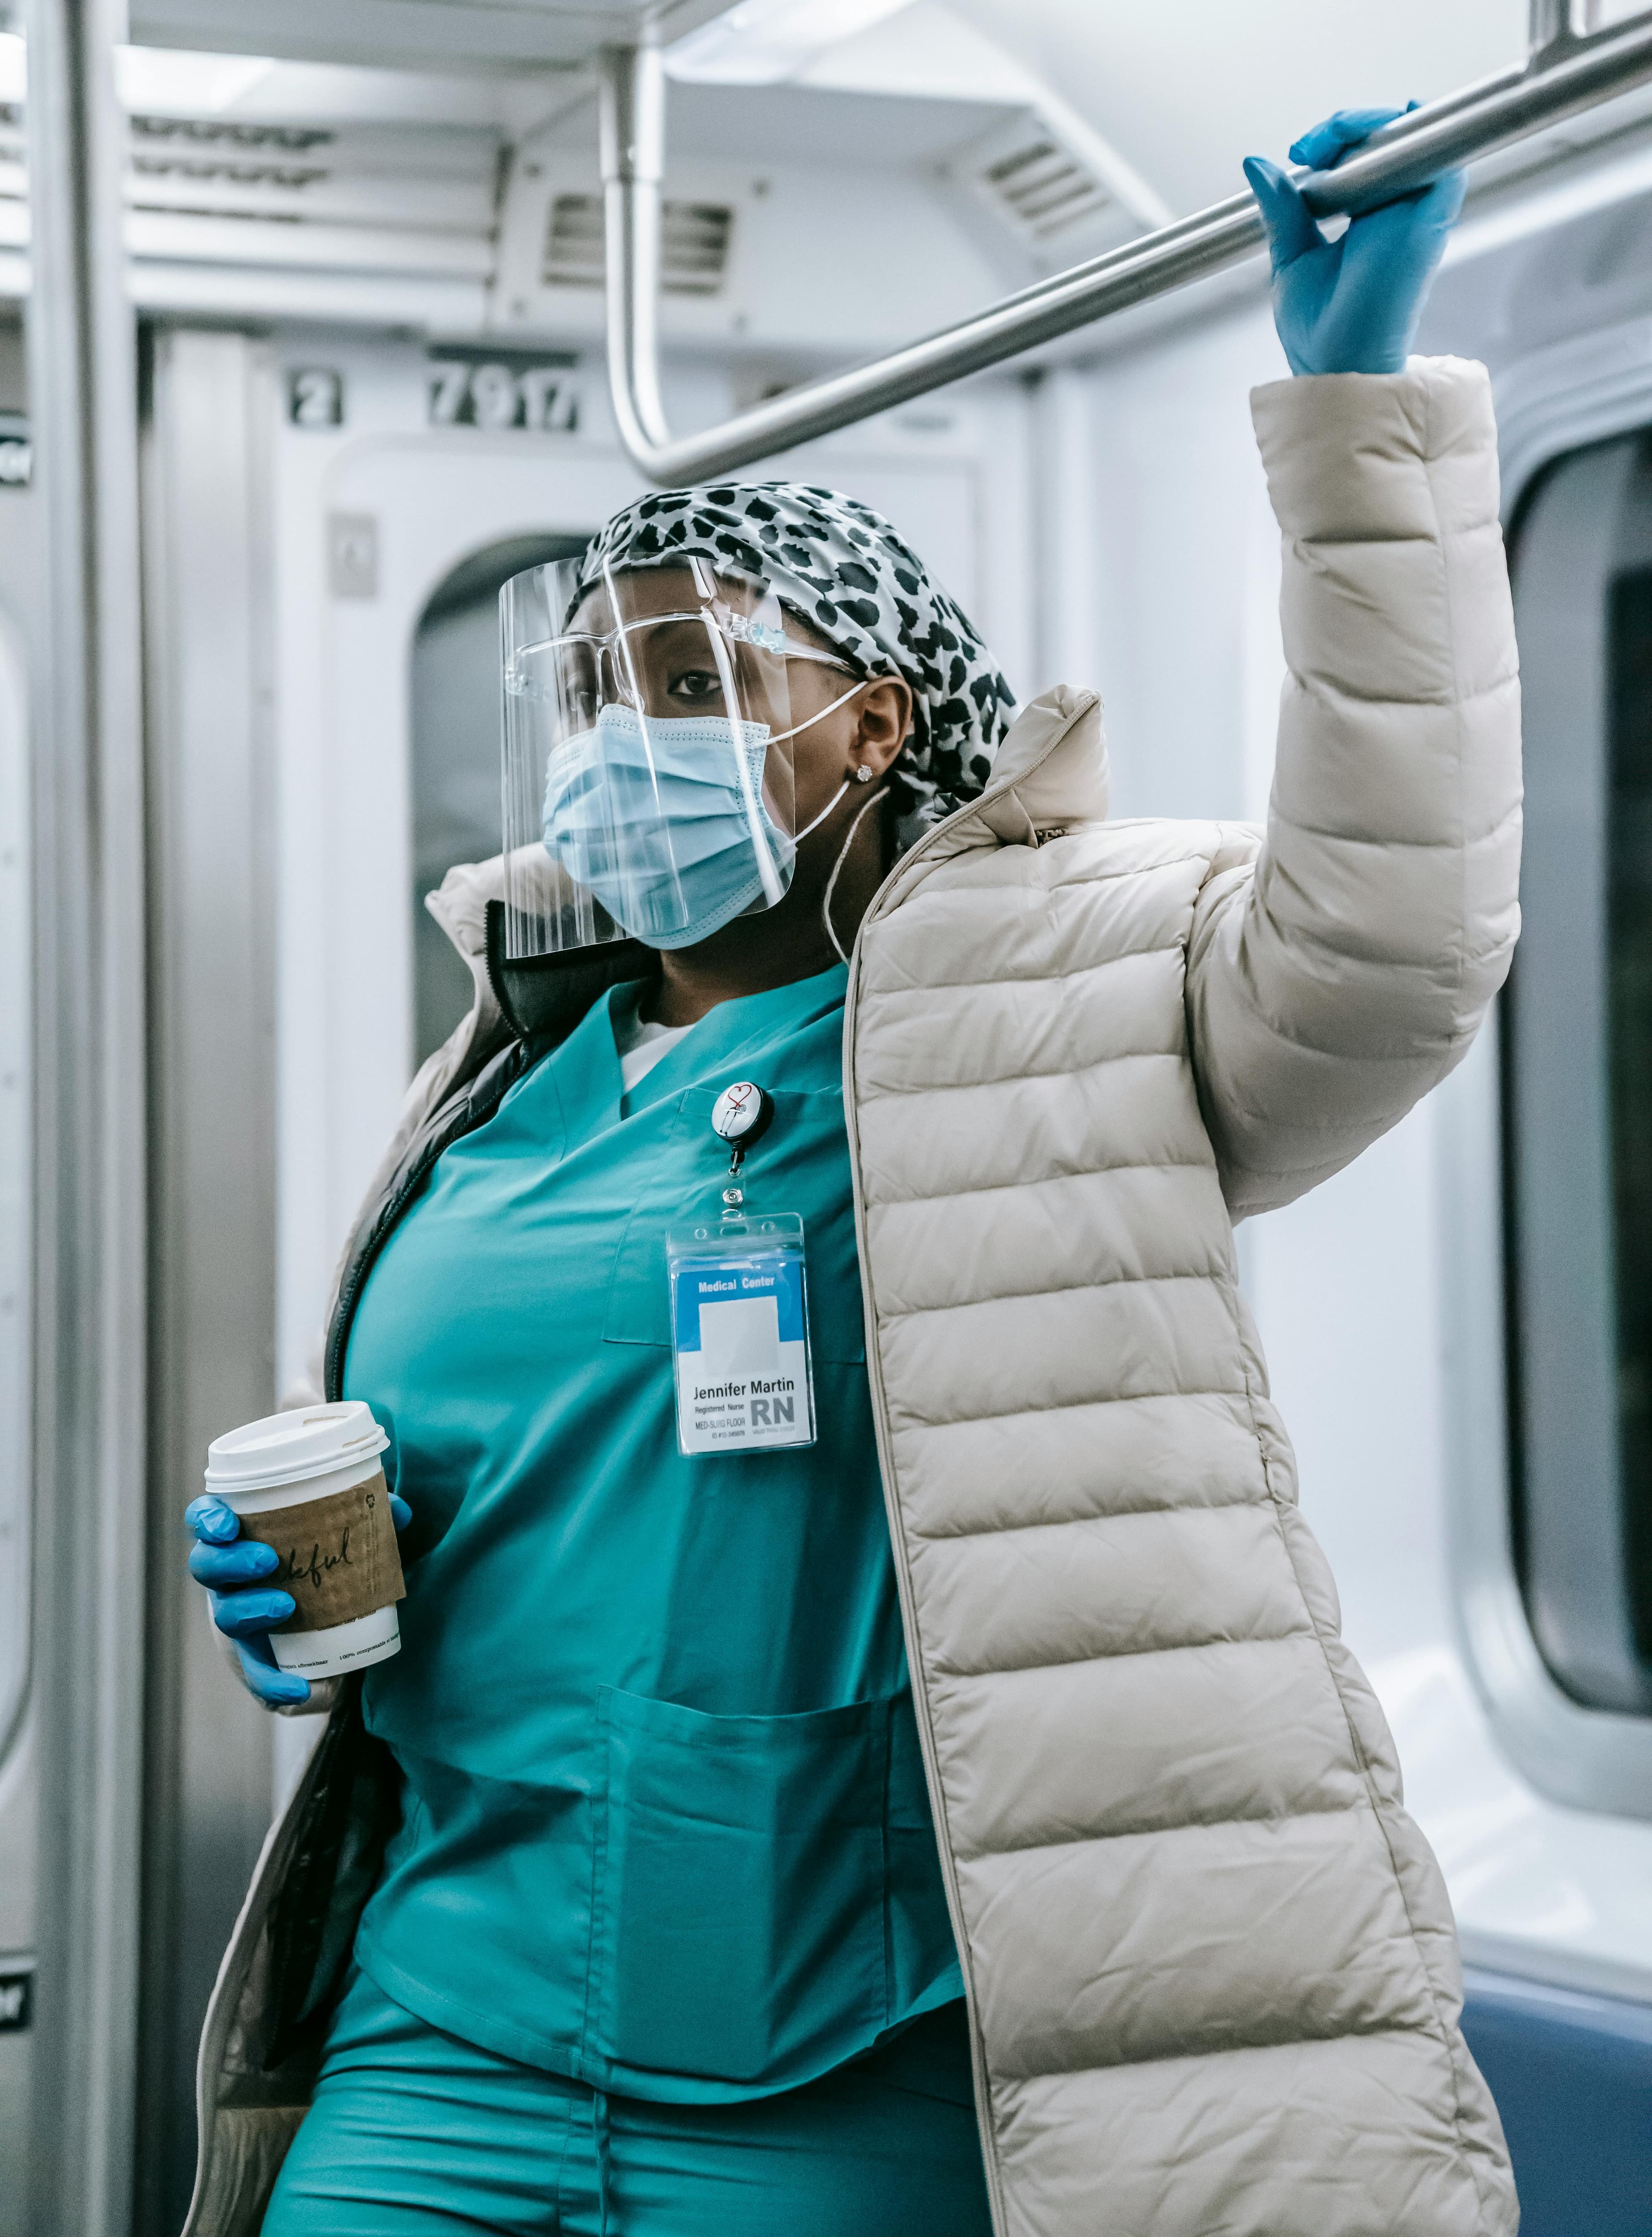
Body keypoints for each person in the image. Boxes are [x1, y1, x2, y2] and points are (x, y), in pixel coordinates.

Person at [182, 108, 1521, 2237]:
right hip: (443, 2037)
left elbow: (1393, 943)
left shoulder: (1073, 980)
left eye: (703, 678)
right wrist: (318, 1600)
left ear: (877, 729)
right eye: (601, 682)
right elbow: (521, 1500)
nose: (628, 729)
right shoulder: (504, 1069)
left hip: (843, 2081)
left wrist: (1358, 423)